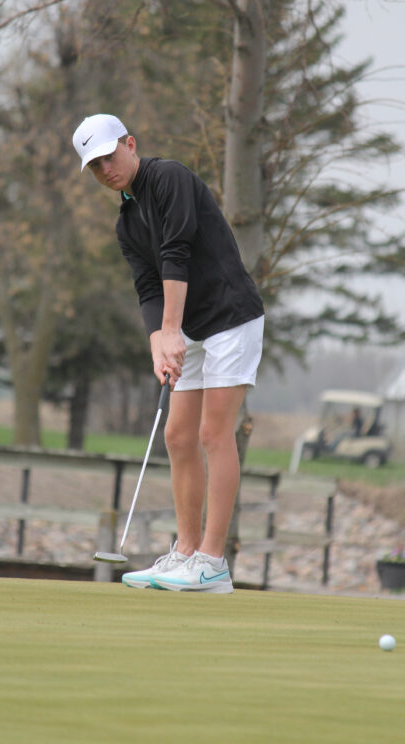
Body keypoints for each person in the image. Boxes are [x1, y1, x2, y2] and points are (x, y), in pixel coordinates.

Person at [72, 113, 264, 594]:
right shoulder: (126, 223)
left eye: (108, 157)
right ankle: (185, 553)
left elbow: (177, 252)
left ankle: (212, 563)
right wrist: (158, 341)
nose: (105, 170)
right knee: (178, 435)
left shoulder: (169, 178)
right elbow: (147, 287)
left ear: (130, 144)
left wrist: (172, 330)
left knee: (213, 433)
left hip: (230, 317)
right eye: (94, 166)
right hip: (188, 328)